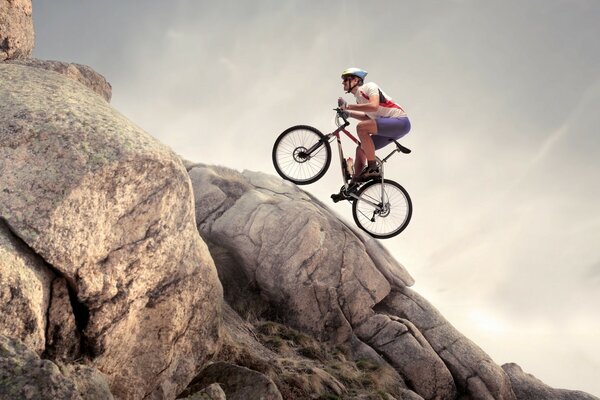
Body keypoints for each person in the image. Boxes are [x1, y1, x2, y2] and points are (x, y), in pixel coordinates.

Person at [337, 67, 411, 181]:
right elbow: (369, 117)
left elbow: (374, 106)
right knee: (361, 149)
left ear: (355, 80)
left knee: (361, 128)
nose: (343, 82)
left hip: (400, 121)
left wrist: (348, 106)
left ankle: (373, 168)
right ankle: (354, 183)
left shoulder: (369, 87)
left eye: (346, 79)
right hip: (388, 127)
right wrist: (349, 114)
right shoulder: (359, 99)